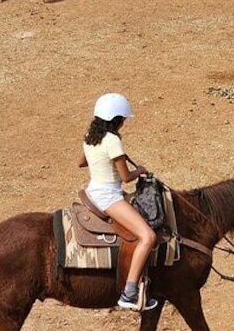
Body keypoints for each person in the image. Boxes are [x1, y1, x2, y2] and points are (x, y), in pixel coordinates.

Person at [78, 93, 158, 311]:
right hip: (109, 196)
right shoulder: (113, 140)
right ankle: (130, 292)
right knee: (147, 236)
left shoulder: (89, 136)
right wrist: (140, 170)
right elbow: (125, 177)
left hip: (92, 191)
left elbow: (80, 162)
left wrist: (101, 160)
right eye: (122, 119)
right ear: (116, 120)